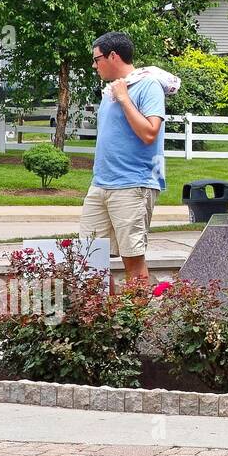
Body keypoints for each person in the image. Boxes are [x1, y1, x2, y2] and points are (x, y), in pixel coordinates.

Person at [81, 32, 166, 286]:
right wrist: (118, 93)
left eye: (97, 59)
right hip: (100, 185)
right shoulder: (111, 91)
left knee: (134, 263)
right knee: (89, 259)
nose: (94, 65)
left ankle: (136, 325)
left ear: (113, 56)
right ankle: (101, 322)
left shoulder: (148, 86)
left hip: (133, 185)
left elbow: (150, 133)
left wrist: (124, 98)